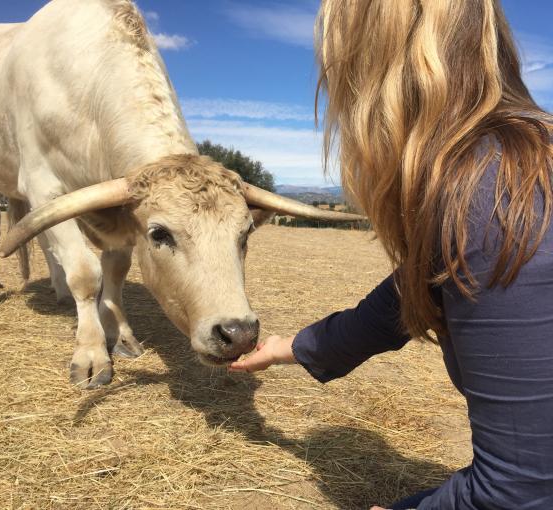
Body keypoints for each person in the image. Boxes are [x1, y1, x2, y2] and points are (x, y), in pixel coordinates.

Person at [230, 0, 553, 508]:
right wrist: (290, 347)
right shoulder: (506, 163)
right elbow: (405, 296)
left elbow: (522, 491)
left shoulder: (494, 194)